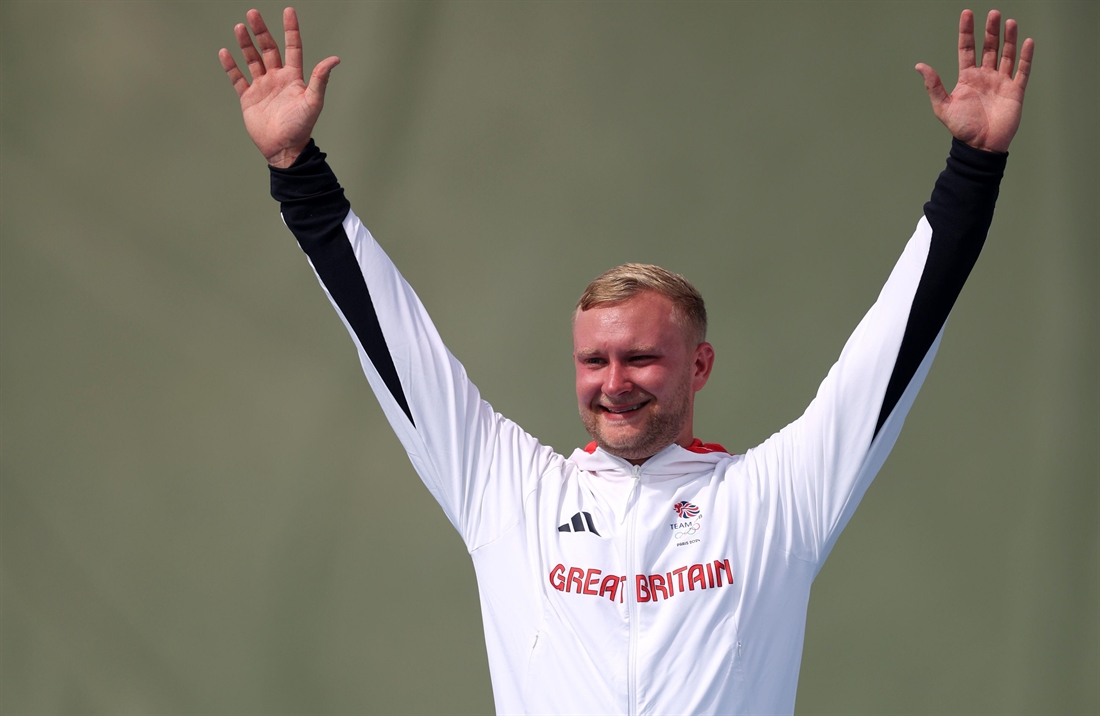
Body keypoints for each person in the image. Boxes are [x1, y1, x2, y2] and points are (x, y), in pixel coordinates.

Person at [219, 7, 1032, 714]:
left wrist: (974, 170)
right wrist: (299, 173)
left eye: (641, 357)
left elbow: (893, 349)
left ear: (699, 365)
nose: (614, 384)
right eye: (594, 361)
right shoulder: (508, 491)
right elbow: (394, 341)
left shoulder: (776, 499)